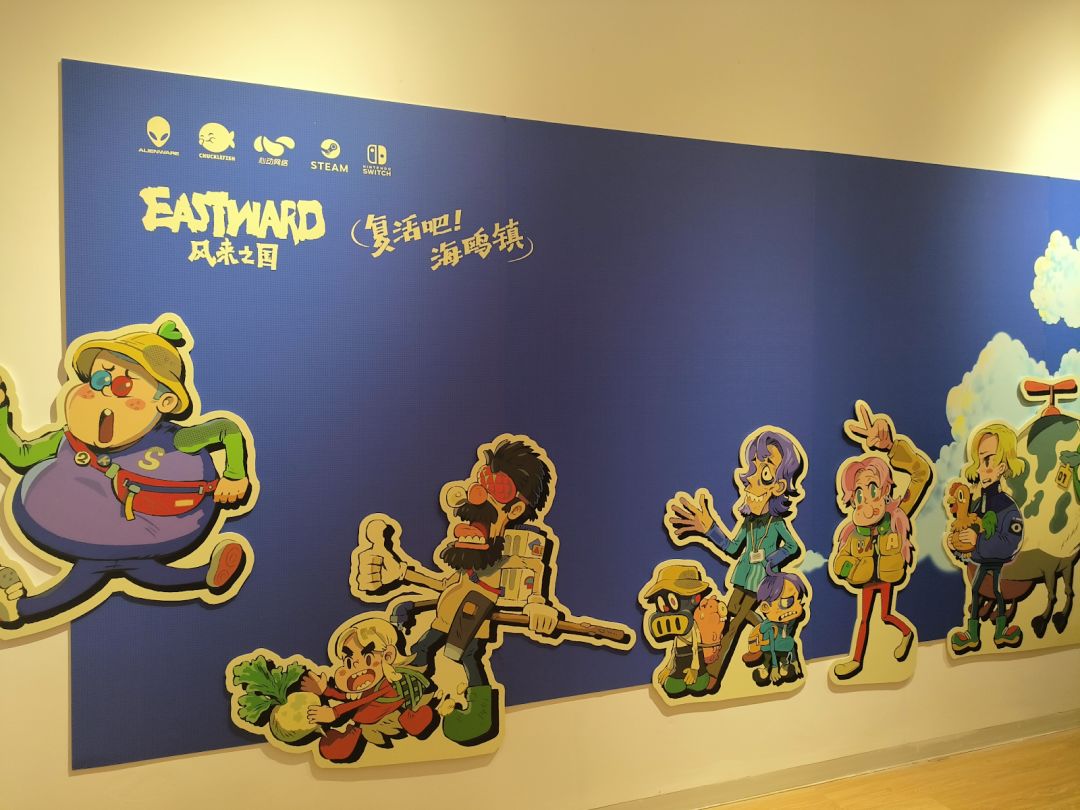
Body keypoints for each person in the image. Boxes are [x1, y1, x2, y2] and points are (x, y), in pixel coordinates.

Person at [0, 316, 253, 631]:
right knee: (122, 565)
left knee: (103, 566)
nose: (105, 392)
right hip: (76, 529)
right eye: (99, 380)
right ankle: (204, 577)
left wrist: (235, 475)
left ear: (165, 401)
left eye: (123, 385)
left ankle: (20, 610)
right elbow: (19, 455)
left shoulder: (177, 440)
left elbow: (226, 429)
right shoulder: (67, 438)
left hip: (150, 528)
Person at [665, 427, 807, 690]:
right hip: (741, 580)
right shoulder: (749, 523)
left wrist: (771, 561)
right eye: (752, 471)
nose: (751, 480)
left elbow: (793, 547)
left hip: (761, 584)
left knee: (733, 625)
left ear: (778, 486)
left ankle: (712, 675)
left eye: (764, 473)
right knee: (729, 620)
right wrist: (709, 529)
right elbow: (732, 548)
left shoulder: (776, 524)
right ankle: (763, 636)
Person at [830, 403, 931, 680]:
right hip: (866, 578)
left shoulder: (897, 515)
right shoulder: (853, 533)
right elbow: (841, 562)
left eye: (873, 489)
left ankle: (906, 634)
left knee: (886, 615)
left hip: (888, 575)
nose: (868, 500)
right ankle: (856, 661)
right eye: (859, 494)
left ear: (885, 489)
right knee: (864, 618)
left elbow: (921, 473)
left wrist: (891, 448)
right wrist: (850, 568)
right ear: (852, 499)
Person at [948, 423, 1024, 653]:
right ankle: (973, 633)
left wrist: (978, 541)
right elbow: (968, 531)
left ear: (1002, 467)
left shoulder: (1007, 507)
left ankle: (1001, 630)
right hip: (980, 562)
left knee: (998, 592)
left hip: (995, 563)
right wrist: (957, 545)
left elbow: (1011, 542)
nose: (982, 468)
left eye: (988, 460)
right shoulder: (977, 505)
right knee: (975, 591)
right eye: (980, 461)